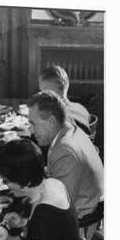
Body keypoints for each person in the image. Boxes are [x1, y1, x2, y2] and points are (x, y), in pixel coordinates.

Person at [27, 91, 104, 221]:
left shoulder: (65, 151)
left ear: (51, 122)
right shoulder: (68, 129)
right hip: (81, 200)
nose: (31, 131)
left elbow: (59, 207)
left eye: (33, 124)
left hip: (79, 218)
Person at [39, 65, 91, 134]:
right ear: (67, 85)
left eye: (41, 89)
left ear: (46, 90)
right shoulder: (82, 109)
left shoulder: (57, 119)